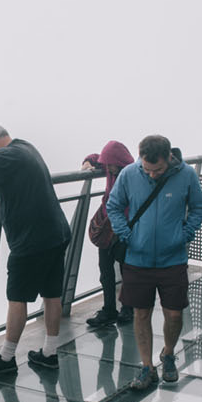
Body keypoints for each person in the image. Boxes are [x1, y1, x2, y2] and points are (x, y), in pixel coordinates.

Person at [106, 134, 202, 390]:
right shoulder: (130, 174)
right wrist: (125, 234)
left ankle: (169, 353)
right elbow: (114, 206)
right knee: (142, 313)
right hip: (137, 258)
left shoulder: (186, 175)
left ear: (169, 159)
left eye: (158, 170)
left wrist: (185, 234)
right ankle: (147, 367)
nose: (151, 175)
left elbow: (199, 207)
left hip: (172, 258)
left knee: (174, 313)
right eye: (147, 169)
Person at [0, 123, 71, 375]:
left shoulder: (6, 156)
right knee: (52, 294)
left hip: (32, 240)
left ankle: (6, 358)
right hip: (55, 232)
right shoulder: (25, 147)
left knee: (17, 298)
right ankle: (49, 352)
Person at [81, 140, 135, 329]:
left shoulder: (133, 174)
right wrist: (88, 162)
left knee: (126, 270)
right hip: (108, 228)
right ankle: (109, 309)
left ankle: (127, 308)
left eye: (111, 165)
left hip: (124, 228)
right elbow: (97, 158)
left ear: (119, 162)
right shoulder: (111, 168)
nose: (108, 168)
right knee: (105, 270)